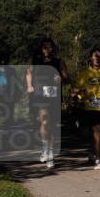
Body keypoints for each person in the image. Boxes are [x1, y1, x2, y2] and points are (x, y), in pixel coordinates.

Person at [72, 47, 100, 170]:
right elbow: (75, 92)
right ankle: (98, 160)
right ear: (91, 58)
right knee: (96, 133)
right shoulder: (84, 74)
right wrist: (81, 92)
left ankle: (93, 151)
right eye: (95, 56)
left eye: (99, 56)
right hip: (91, 108)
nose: (97, 59)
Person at [26, 38, 69, 170]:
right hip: (39, 94)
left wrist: (60, 78)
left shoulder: (58, 61)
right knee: (44, 122)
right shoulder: (35, 61)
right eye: (45, 47)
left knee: (52, 125)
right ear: (41, 48)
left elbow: (66, 77)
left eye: (50, 47)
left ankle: (48, 151)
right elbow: (28, 73)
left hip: (53, 94)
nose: (47, 50)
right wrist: (29, 85)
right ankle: (47, 152)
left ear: (53, 49)